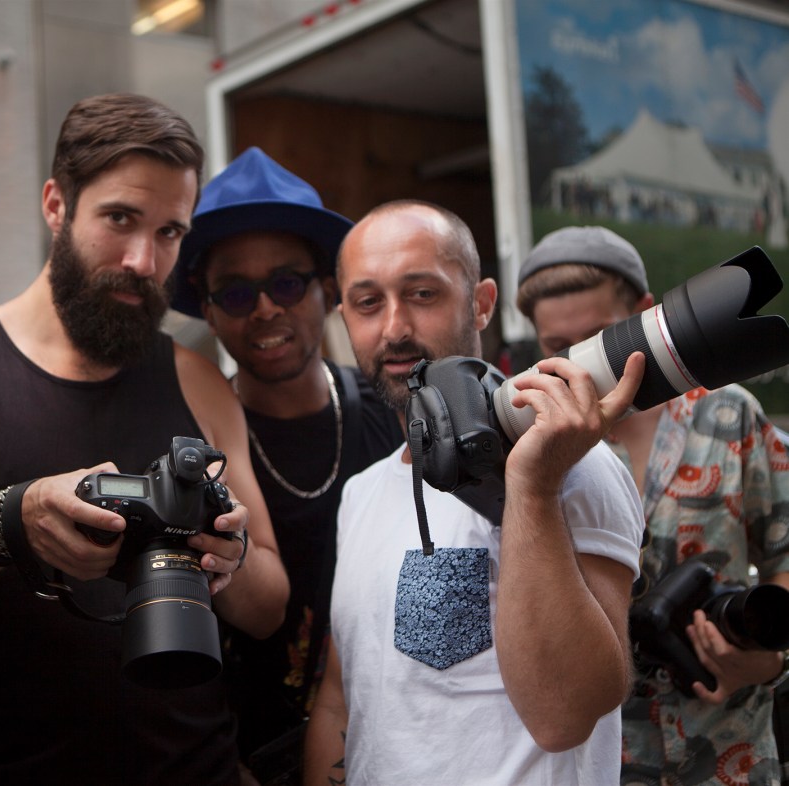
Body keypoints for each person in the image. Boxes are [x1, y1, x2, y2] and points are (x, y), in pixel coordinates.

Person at [0, 93, 289, 785]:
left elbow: (269, 611)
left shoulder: (200, 382)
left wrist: (225, 556)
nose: (144, 259)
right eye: (120, 219)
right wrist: (0, 526)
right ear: (56, 205)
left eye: (170, 232)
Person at [304, 200, 648, 785]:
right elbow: (342, 700)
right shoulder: (361, 493)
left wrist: (532, 489)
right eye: (368, 303)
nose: (394, 328)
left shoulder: (573, 463)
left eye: (422, 294)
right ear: (345, 317)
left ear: (482, 303)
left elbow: (566, 717)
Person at [515, 225, 789, 785]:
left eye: (596, 339)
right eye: (557, 347)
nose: (579, 366)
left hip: (731, 753)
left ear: (644, 313)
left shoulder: (729, 414)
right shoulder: (536, 451)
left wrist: (769, 658)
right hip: (605, 764)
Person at [169, 146, 403, 782]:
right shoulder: (196, 449)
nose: (266, 308)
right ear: (208, 310)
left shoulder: (393, 417)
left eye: (287, 283)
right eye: (236, 292)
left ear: (326, 290)